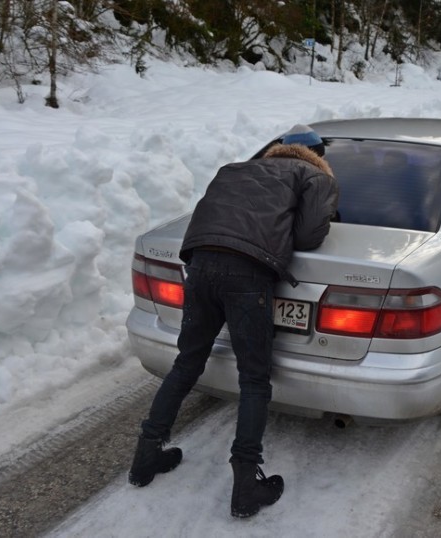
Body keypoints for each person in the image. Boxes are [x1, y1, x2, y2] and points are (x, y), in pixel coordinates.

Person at [128, 124, 339, 519]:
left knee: (187, 362)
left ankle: (146, 455)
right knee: (254, 378)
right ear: (317, 155)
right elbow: (310, 236)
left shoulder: (235, 170)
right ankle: (246, 484)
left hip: (199, 267)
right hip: (246, 276)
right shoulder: (314, 176)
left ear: (277, 150)